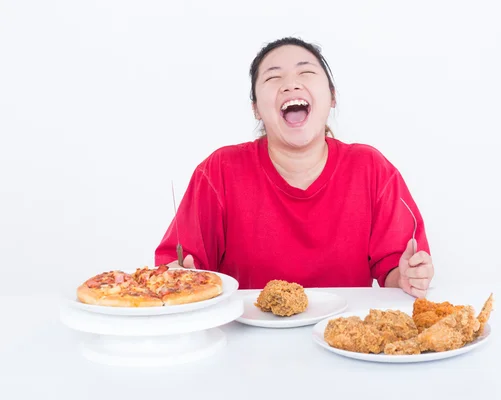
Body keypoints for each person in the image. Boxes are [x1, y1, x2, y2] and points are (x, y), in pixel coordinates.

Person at [154, 37, 434, 298]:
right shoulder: (219, 172)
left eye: (306, 73)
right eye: (274, 77)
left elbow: (396, 272)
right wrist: (179, 278)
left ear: (332, 97)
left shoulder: (371, 168)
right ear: (256, 109)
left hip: (342, 338)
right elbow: (178, 268)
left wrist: (408, 276)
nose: (291, 85)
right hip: (246, 342)